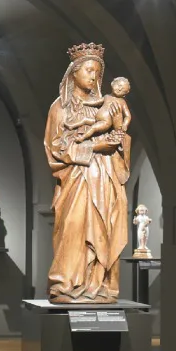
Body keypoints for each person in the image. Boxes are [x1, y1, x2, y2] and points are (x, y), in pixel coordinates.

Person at [45, 43, 132, 303]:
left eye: (97, 72)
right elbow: (56, 148)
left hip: (104, 180)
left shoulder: (104, 106)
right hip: (75, 182)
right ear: (73, 73)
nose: (93, 76)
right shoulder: (60, 108)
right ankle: (66, 284)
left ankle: (99, 285)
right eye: (88, 70)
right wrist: (94, 147)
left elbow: (121, 135)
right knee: (73, 228)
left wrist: (117, 143)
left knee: (104, 229)